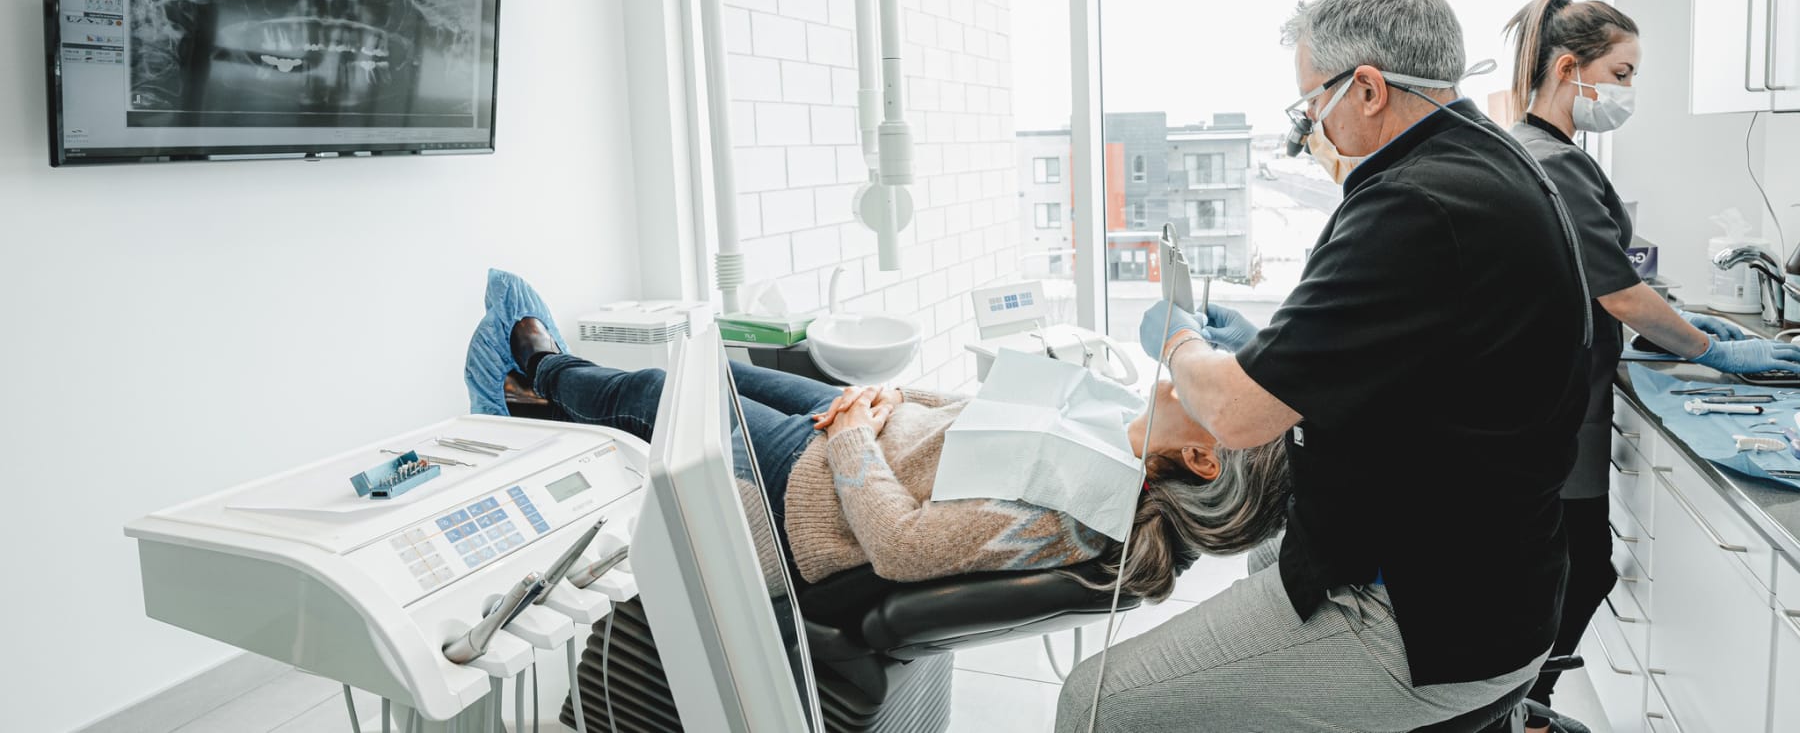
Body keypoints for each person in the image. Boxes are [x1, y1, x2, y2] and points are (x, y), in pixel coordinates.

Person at [1054, 0, 1593, 732]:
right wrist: (1267, 354)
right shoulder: (1488, 168)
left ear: (1367, 90)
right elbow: (1402, 344)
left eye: (1313, 105)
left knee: (1091, 704)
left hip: (1427, 619)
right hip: (1501, 579)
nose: (1311, 129)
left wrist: (1176, 340)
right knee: (1264, 561)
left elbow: (1237, 415)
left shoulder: (1413, 204)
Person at [463, 269, 1288, 600]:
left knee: (654, 395)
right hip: (863, 427)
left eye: (1216, 378)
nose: (1200, 365)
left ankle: (539, 369)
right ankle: (540, 401)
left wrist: (856, 435)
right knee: (701, 370)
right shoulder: (1115, 425)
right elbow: (976, 410)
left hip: (818, 490)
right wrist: (885, 395)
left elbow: (899, 545)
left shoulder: (1070, 516)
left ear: (1204, 450)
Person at [1500, 0, 1800, 733]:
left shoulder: (1542, 150)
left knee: (1574, 569)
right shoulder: (1553, 159)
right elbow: (1621, 297)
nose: (1629, 91)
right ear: (1570, 67)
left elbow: (1610, 283)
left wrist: (1680, 319)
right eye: (1623, 72)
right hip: (1556, 411)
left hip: (1557, 401)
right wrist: (1716, 351)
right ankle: (1518, 714)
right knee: (1581, 569)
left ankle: (1519, 710)